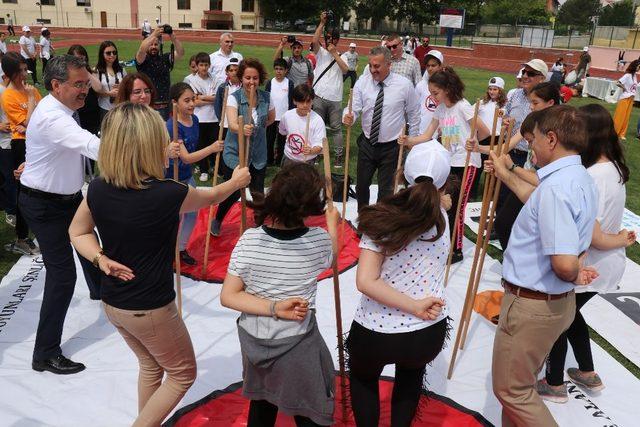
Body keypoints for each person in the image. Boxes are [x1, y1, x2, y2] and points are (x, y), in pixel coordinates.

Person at [69, 102, 250, 426]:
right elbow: (211, 196)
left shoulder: (97, 188)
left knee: (151, 366)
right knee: (183, 373)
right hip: (149, 307)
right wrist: (237, 182)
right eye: (160, 139)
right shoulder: (168, 193)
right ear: (146, 146)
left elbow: (77, 231)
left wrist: (100, 259)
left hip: (115, 304)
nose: (167, 144)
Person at [490, 105, 599, 427]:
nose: (530, 145)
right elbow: (537, 203)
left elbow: (564, 264)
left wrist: (574, 268)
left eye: (534, 138)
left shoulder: (556, 188)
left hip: (533, 305)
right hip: (551, 302)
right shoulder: (577, 177)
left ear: (551, 139)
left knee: (513, 392)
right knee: (520, 386)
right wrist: (505, 173)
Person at [220, 162, 338, 427]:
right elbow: (332, 258)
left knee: (262, 401)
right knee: (309, 408)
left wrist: (271, 307)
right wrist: (333, 226)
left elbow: (229, 295)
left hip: (254, 338)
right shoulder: (318, 240)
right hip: (296, 340)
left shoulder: (249, 240)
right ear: (308, 207)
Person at [536, 103, 635, 403]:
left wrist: (620, 240)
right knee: (572, 316)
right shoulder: (613, 168)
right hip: (604, 263)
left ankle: (554, 383)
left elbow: (595, 237)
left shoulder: (592, 175)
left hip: (590, 264)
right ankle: (587, 372)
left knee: (558, 319)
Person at [347, 140, 450, 426]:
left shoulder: (383, 216)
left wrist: (413, 305)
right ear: (443, 186)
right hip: (427, 330)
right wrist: (416, 307)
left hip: (378, 330)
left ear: (403, 173)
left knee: (363, 378)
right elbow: (434, 199)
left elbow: (366, 281)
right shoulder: (442, 214)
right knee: (411, 376)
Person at [18, 55, 102, 374]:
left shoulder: (64, 108)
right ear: (56, 85)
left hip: (64, 198)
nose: (85, 90)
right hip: (45, 205)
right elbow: (90, 146)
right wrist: (141, 147)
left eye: (86, 83)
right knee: (62, 275)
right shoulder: (55, 117)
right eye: (78, 84)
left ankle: (100, 289)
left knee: (87, 240)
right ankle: (45, 353)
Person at [401, 67, 491, 264]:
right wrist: (409, 141)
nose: (432, 97)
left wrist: (474, 143)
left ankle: (456, 249)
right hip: (448, 163)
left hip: (467, 164)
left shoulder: (462, 106)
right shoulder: (441, 109)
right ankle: (444, 243)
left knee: (457, 207)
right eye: (431, 93)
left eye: (436, 93)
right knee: (446, 206)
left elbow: (484, 131)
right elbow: (427, 136)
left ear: (448, 89)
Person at [344, 46, 420, 211]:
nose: (372, 70)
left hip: (391, 147)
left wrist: (412, 141)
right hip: (367, 143)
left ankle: (379, 222)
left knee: (386, 190)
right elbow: (354, 107)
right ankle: (363, 219)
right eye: (370, 65)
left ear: (388, 64)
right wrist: (349, 115)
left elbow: (414, 114)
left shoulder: (404, 85)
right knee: (362, 186)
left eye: (377, 66)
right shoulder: (362, 83)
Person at [209, 58, 275, 237]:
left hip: (258, 154)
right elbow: (231, 123)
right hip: (236, 153)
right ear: (241, 78)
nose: (251, 82)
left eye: (254, 78)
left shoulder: (266, 98)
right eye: (247, 78)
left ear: (259, 79)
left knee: (258, 192)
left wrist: (257, 130)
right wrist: (242, 128)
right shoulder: (233, 97)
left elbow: (270, 119)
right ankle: (218, 220)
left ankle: (259, 224)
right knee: (232, 191)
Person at [166, 82, 225, 265]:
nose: (192, 104)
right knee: (172, 217)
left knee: (192, 213)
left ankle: (181, 248)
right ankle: (166, 251)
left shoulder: (195, 120)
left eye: (193, 99)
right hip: (170, 178)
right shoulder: (172, 126)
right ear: (175, 103)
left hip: (187, 176)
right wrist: (212, 148)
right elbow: (186, 158)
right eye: (187, 101)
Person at [1, 52, 41, 255]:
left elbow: (41, 115)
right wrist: (32, 99)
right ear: (11, 73)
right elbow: (28, 123)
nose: (26, 74)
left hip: (36, 142)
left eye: (26, 69)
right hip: (20, 145)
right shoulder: (8, 95)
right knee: (23, 190)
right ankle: (22, 237)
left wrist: (32, 117)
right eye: (22, 71)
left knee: (38, 187)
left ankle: (35, 229)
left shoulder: (29, 89)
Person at [311, 12, 349, 166]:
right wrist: (321, 23)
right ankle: (318, 152)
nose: (329, 41)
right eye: (327, 39)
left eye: (332, 39)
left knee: (336, 128)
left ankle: (338, 155)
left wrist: (334, 54)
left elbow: (345, 69)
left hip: (334, 98)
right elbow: (314, 41)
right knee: (318, 125)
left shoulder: (342, 55)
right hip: (319, 95)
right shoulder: (321, 53)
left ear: (337, 40)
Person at [184, 52, 220, 182]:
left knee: (214, 143)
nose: (204, 68)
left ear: (209, 65)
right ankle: (204, 170)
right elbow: (193, 101)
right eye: (201, 65)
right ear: (197, 66)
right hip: (198, 118)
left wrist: (202, 97)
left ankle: (216, 168)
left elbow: (218, 98)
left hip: (213, 118)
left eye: (206, 65)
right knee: (201, 145)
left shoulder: (215, 79)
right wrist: (208, 99)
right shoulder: (190, 80)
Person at [135, 25, 184, 119]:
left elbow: (180, 53)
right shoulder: (142, 60)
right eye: (151, 44)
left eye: (156, 44)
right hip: (148, 105)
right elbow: (141, 50)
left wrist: (173, 37)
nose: (153, 47)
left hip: (166, 106)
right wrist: (154, 34)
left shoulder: (165, 58)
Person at [471, 76, 506, 198]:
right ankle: (472, 191)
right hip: (483, 138)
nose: (492, 92)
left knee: (494, 166)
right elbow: (471, 114)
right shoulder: (481, 103)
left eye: (495, 89)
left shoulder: (505, 105)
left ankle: (491, 193)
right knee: (479, 165)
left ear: (500, 90)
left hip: (497, 139)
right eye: (490, 89)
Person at [279, 84, 325, 166]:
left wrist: (311, 151)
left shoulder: (317, 120)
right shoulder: (287, 116)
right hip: (289, 158)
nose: (305, 105)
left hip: (307, 161)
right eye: (301, 101)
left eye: (308, 101)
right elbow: (282, 131)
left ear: (312, 101)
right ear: (294, 101)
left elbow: (320, 146)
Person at [265, 58, 294, 166]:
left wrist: (290, 116)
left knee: (282, 141)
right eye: (276, 69)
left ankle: (279, 161)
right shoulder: (270, 83)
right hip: (272, 118)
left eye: (281, 69)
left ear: (286, 70)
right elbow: (266, 100)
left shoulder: (289, 83)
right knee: (269, 140)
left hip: (284, 118)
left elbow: (291, 101)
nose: (278, 71)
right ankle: (269, 160)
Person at [95, 41, 126, 122]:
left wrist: (121, 87)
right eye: (108, 53)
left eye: (114, 52)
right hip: (105, 109)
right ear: (102, 54)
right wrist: (109, 93)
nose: (112, 55)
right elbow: (95, 92)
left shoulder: (121, 70)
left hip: (120, 109)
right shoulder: (97, 71)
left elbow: (128, 87)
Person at [0, 73, 16, 229]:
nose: (24, 77)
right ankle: (11, 212)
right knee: (9, 180)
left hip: (16, 141)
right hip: (5, 144)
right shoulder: (2, 92)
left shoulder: (17, 92)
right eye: (20, 73)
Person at [415, 50, 443, 134]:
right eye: (428, 66)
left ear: (440, 66)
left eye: (433, 65)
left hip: (441, 134)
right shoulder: (421, 85)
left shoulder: (448, 86)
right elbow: (415, 109)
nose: (430, 68)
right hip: (422, 132)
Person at [214, 57, 241, 138]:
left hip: (240, 124)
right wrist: (221, 119)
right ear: (227, 72)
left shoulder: (244, 87)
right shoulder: (222, 87)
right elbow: (217, 105)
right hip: (225, 124)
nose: (234, 73)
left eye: (236, 70)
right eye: (231, 70)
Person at [612, 59, 639, 141]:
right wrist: (624, 88)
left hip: (631, 98)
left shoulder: (634, 76)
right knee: (620, 116)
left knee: (626, 117)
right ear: (634, 66)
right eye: (638, 67)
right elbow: (618, 82)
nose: (639, 68)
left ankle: (622, 133)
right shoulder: (627, 75)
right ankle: (615, 133)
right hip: (624, 98)